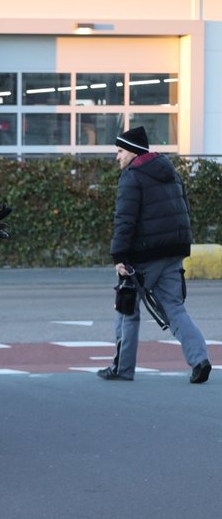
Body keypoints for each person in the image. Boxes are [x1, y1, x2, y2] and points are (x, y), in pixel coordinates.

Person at [97, 126, 211, 384]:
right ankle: (200, 360)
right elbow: (184, 209)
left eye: (120, 151)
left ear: (133, 152)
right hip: (174, 252)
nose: (117, 157)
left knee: (126, 307)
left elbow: (125, 220)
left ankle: (122, 368)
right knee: (175, 308)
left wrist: (119, 256)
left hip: (143, 256)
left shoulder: (132, 176)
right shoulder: (170, 171)